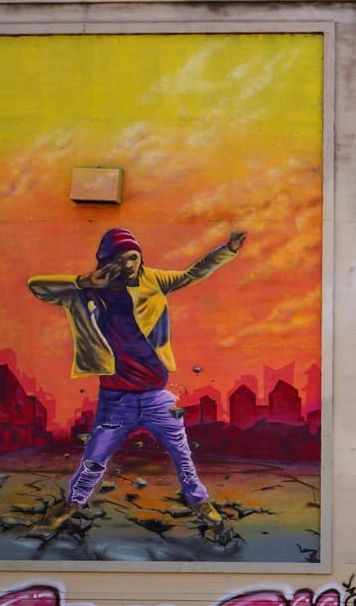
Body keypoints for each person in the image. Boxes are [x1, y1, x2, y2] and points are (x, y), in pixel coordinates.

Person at [26, 225, 245, 535]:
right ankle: (71, 504)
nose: (129, 264)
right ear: (107, 261)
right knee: (94, 459)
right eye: (121, 259)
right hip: (116, 399)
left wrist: (228, 250)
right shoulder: (89, 291)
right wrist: (83, 280)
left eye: (134, 257)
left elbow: (192, 274)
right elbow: (37, 287)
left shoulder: (153, 280)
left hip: (157, 396)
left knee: (182, 455)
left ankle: (200, 502)